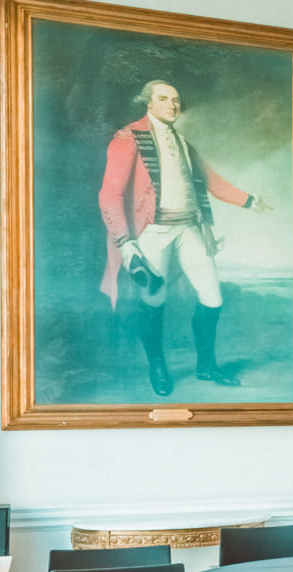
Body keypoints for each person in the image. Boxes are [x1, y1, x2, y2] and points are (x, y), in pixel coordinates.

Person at [98, 79, 269, 396]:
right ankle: (157, 365)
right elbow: (110, 194)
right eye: (164, 99)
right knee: (154, 300)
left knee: (213, 298)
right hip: (153, 232)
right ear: (149, 103)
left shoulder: (183, 142)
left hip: (190, 228)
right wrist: (126, 242)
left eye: (176, 99)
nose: (172, 105)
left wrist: (250, 201)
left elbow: (213, 182)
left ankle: (206, 366)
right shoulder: (128, 138)